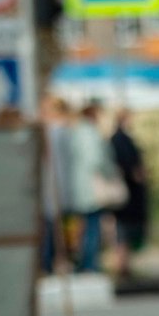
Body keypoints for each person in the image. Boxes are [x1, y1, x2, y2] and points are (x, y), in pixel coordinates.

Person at [65, 101, 121, 273]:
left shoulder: (75, 133)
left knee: (85, 227)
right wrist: (111, 171)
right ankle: (90, 264)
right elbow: (95, 160)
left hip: (81, 188)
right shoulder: (89, 133)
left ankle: (85, 262)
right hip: (92, 189)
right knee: (92, 228)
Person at [110, 109, 151, 281]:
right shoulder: (120, 140)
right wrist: (135, 173)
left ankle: (124, 263)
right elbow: (125, 164)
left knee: (125, 229)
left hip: (130, 193)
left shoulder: (122, 139)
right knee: (124, 229)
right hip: (127, 193)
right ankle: (122, 264)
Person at [40, 96, 73, 273]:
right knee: (50, 227)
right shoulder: (55, 131)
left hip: (53, 184)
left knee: (52, 226)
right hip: (52, 184)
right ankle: (48, 262)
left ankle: (50, 261)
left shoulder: (55, 131)